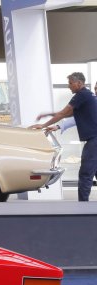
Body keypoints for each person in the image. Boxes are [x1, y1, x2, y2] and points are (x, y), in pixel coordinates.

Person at [31, 73, 97, 201]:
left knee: (85, 174)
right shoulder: (87, 96)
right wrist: (48, 115)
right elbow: (68, 114)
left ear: (79, 83)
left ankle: (82, 207)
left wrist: (43, 125)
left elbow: (63, 113)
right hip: (94, 139)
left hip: (94, 140)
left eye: (70, 83)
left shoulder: (81, 95)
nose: (69, 86)